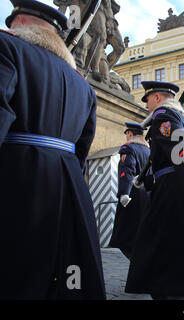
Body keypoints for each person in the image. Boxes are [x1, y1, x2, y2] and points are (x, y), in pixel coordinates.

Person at [0, 0, 105, 299]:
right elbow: (82, 147)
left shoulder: (6, 48)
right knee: (61, 277)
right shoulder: (81, 83)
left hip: (16, 180)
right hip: (69, 187)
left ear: (18, 22)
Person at [125, 81, 184, 300]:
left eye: (147, 100)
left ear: (157, 98)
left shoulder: (163, 117)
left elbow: (180, 149)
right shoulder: (180, 119)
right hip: (176, 187)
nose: (146, 105)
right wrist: (148, 181)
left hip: (174, 193)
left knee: (161, 253)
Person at [109, 122, 150, 260]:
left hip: (133, 197)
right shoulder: (148, 150)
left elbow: (127, 171)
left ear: (130, 134)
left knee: (126, 237)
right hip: (148, 197)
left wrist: (124, 193)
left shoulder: (128, 148)